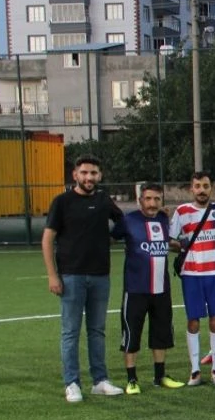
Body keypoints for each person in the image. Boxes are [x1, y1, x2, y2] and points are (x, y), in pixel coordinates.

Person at [42, 155, 125, 402]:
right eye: (85, 173)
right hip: (71, 276)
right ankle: (72, 383)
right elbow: (47, 239)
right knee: (70, 332)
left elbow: (122, 223)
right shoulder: (62, 202)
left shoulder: (103, 200)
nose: (89, 177)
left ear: (100, 176)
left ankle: (99, 381)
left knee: (97, 331)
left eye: (94, 173)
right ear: (75, 175)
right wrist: (52, 275)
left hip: (101, 275)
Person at [113, 183, 184, 394]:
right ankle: (132, 379)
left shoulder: (164, 220)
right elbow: (112, 236)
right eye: (148, 199)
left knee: (161, 333)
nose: (153, 203)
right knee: (132, 334)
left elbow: (168, 244)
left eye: (157, 199)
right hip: (135, 289)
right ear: (140, 200)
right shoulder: (129, 221)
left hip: (161, 289)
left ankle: (160, 376)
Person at [169, 171, 215, 385]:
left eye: (205, 186)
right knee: (193, 320)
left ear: (211, 188)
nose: (202, 190)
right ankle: (194, 370)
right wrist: (183, 245)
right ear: (191, 189)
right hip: (192, 274)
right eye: (198, 186)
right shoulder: (182, 211)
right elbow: (171, 240)